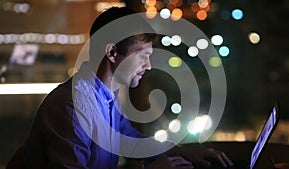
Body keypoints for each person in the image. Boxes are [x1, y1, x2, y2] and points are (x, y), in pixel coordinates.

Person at [7, 7, 233, 169]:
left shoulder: (104, 95)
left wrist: (186, 153)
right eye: (143, 55)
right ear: (112, 52)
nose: (149, 65)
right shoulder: (72, 106)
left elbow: (130, 138)